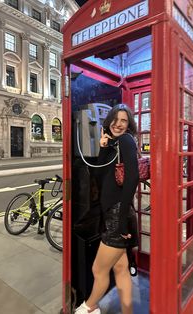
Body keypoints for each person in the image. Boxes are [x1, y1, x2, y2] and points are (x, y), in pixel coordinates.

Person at [75, 104, 139, 314]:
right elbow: (98, 176)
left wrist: (120, 222)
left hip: (117, 217)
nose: (119, 125)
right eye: (116, 120)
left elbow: (132, 180)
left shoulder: (126, 141)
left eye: (124, 121)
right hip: (113, 214)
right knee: (120, 269)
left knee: (98, 269)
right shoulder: (113, 145)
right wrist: (103, 146)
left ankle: (89, 308)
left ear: (129, 125)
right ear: (108, 120)